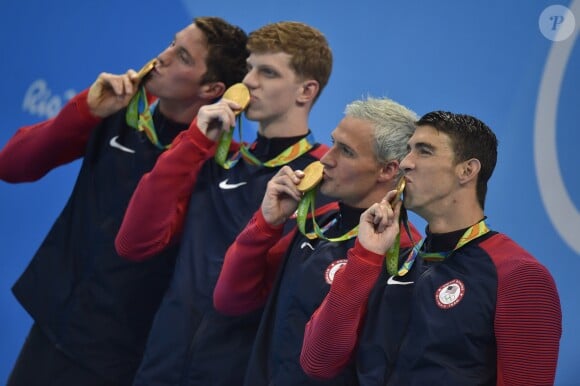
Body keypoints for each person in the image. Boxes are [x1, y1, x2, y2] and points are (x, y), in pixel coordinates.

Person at [0, 17, 248, 386]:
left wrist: (195, 144)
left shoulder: (219, 166)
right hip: (53, 322)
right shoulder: (120, 113)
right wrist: (86, 108)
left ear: (212, 88)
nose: (161, 57)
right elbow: (12, 164)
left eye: (181, 55)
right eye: (170, 43)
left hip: (118, 352)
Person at [114, 21, 333, 386]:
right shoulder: (219, 158)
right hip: (159, 364)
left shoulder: (318, 182)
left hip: (234, 371)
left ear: (306, 91)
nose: (248, 82)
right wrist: (194, 141)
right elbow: (133, 241)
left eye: (267, 72)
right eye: (249, 68)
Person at [300, 111, 563, 385]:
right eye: (408, 151)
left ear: (467, 170)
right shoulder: (389, 261)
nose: (405, 163)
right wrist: (365, 256)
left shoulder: (518, 275)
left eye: (424, 152)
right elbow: (318, 361)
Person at [213, 96, 421, 385]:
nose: (326, 159)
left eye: (345, 151)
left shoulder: (406, 260)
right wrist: (265, 224)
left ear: (387, 170)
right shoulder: (316, 224)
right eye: (333, 142)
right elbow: (230, 300)